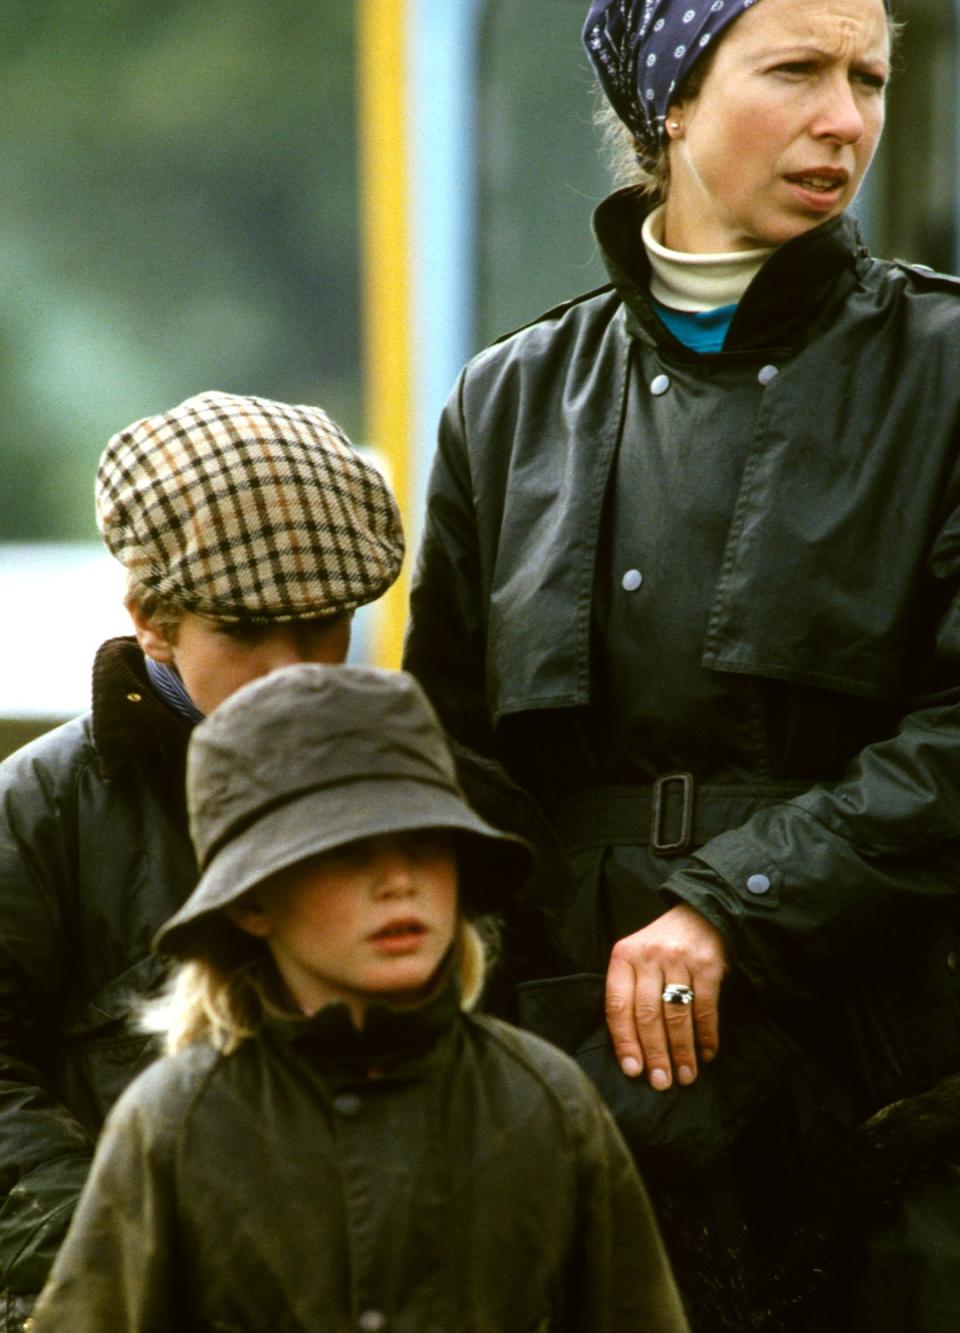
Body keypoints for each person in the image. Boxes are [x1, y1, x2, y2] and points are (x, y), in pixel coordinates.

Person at [404, 0, 960, 1327]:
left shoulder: (945, 373)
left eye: (868, 78)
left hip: (883, 1102)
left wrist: (727, 906)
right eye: (797, 72)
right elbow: (443, 759)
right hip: (568, 1100)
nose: (847, 120)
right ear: (670, 100)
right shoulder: (508, 398)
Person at [30, 664, 689, 1333]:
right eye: (349, 852)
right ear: (254, 900)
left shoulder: (545, 1101)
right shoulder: (174, 1123)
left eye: (426, 842)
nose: (400, 880)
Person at [0, 391, 404, 1328]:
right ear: (151, 618)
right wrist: (119, 1273)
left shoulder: (424, 793)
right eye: (246, 631)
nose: (297, 668)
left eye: (324, 623)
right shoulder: (36, 812)